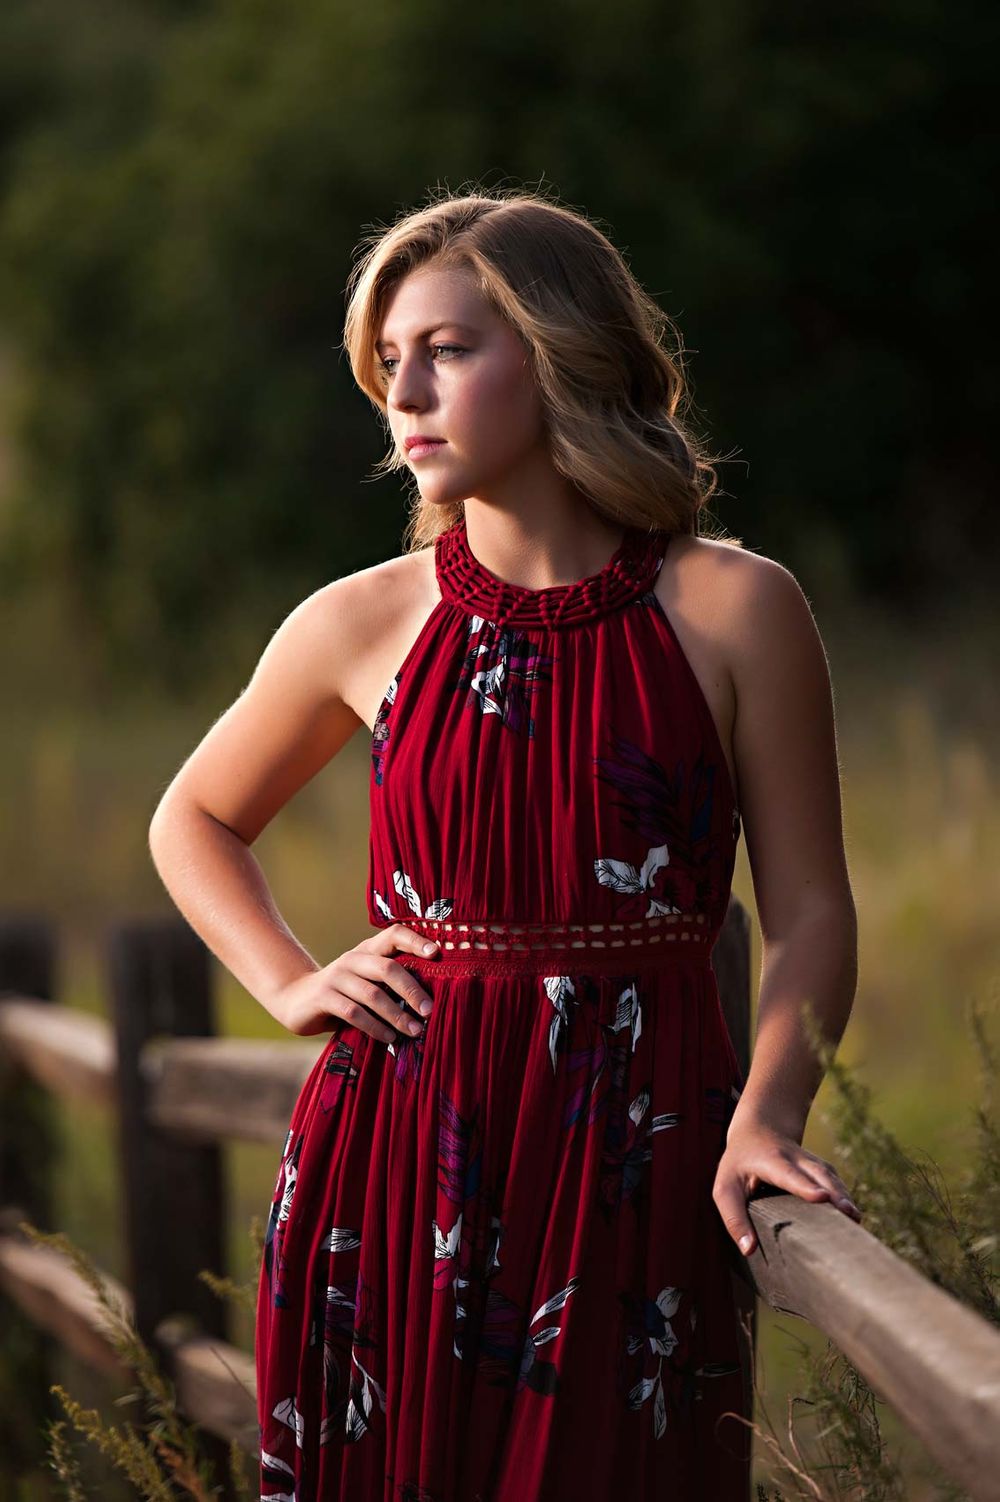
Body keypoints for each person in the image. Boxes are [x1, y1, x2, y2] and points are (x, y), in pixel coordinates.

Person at [148, 186, 862, 1502]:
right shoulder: (364, 620)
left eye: (449, 350)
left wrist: (769, 1111)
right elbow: (191, 816)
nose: (403, 392)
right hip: (396, 1153)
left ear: (561, 357)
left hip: (636, 1154)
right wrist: (292, 980)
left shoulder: (736, 607)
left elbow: (811, 905)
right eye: (389, 361)